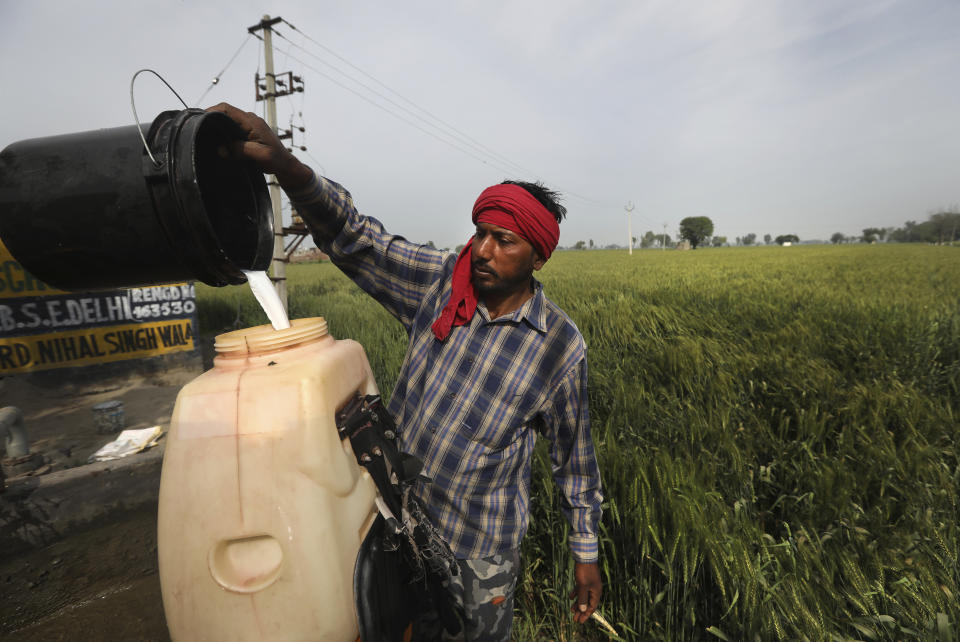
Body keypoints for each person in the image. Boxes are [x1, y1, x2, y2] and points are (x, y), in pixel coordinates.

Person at [210, 103, 603, 641]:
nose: (482, 250)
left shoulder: (558, 346)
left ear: (539, 257)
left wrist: (586, 555)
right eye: (480, 232)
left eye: (503, 240)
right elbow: (355, 237)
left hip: (477, 550)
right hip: (398, 522)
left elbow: (574, 461)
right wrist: (286, 166)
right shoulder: (440, 283)